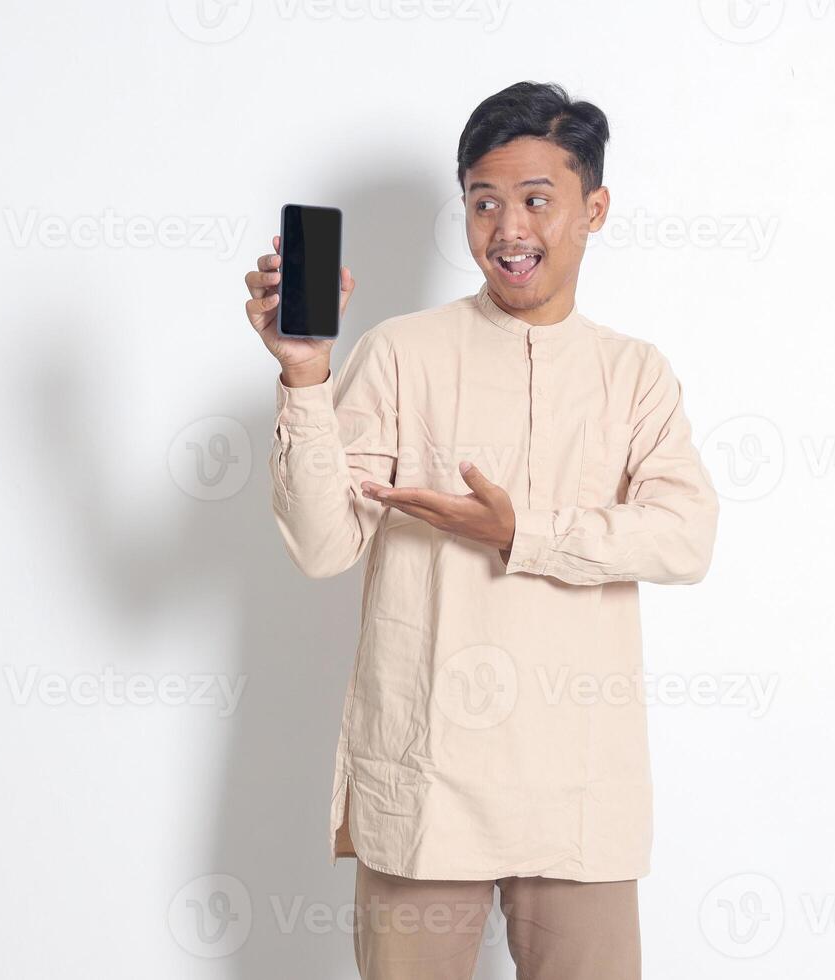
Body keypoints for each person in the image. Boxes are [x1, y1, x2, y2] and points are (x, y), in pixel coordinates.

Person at [243, 80, 720, 980]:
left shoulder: (634, 375)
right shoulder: (401, 353)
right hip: (425, 787)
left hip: (581, 795)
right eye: (484, 202)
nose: (508, 229)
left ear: (595, 209)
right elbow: (320, 545)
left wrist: (521, 532)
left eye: (537, 201)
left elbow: (684, 536)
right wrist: (306, 377)